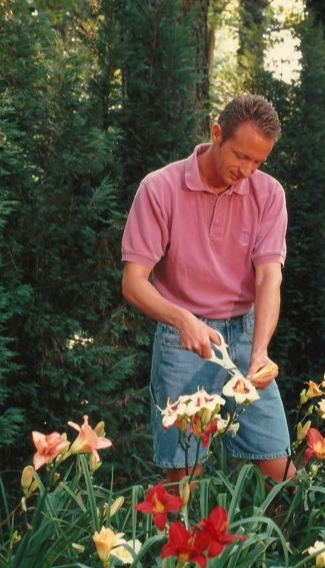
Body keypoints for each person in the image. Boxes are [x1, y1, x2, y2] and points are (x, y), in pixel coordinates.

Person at [121, 94, 295, 486]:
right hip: (181, 343)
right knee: (183, 481)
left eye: (259, 162)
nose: (248, 170)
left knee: (282, 476)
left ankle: (287, 548)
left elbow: (269, 277)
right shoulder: (159, 189)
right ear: (216, 134)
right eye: (240, 156)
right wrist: (182, 318)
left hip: (245, 336)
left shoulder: (269, 195)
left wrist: (261, 349)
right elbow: (133, 282)